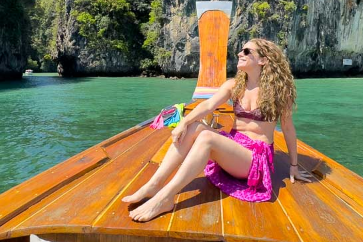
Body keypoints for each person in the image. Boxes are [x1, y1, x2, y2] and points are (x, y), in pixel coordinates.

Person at [122, 38, 313, 222]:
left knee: (206, 137)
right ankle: (154, 185)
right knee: (194, 126)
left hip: (254, 158)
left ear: (263, 60)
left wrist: (294, 166)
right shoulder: (234, 85)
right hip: (234, 146)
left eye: (247, 51)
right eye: (241, 50)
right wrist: (183, 122)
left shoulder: (279, 92)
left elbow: (288, 128)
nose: (240, 53)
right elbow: (208, 105)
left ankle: (166, 197)